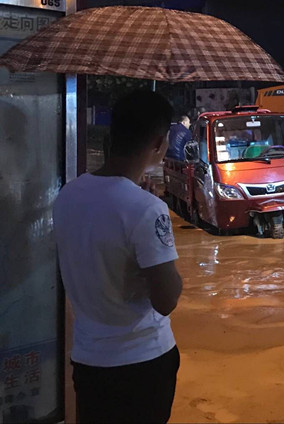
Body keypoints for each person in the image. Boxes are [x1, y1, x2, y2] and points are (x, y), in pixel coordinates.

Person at [53, 90, 183, 424]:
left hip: (89, 361)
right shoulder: (146, 209)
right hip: (141, 363)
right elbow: (166, 299)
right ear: (159, 143)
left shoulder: (68, 195)